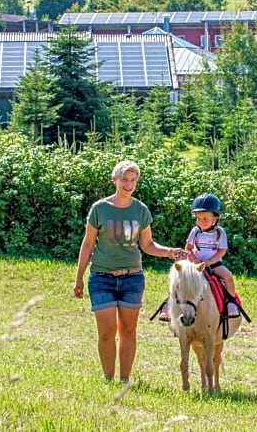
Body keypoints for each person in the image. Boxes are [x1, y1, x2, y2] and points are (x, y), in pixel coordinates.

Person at [73, 159, 185, 383]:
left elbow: (148, 245)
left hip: (132, 277)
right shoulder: (100, 209)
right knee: (106, 332)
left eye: (133, 180)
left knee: (128, 331)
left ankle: (124, 379)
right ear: (115, 180)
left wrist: (170, 252)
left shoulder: (140, 210)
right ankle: (107, 378)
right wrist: (79, 278)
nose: (128, 184)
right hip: (101, 277)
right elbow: (87, 243)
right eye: (124, 179)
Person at [160, 192, 239, 321]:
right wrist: (193, 259)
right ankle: (168, 306)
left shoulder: (220, 233)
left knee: (228, 276)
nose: (201, 222)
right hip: (195, 264)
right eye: (198, 218)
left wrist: (208, 262)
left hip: (214, 263)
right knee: (179, 279)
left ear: (215, 218)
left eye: (205, 219)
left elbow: (221, 251)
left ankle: (231, 302)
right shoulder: (195, 231)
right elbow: (189, 248)